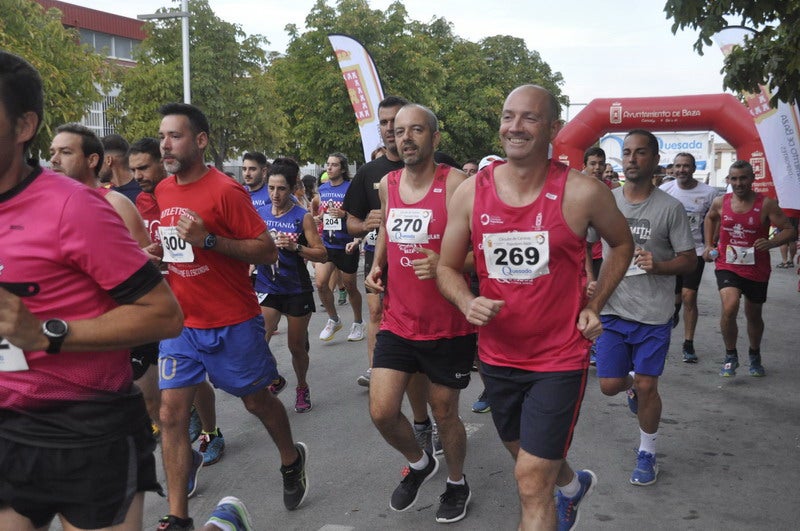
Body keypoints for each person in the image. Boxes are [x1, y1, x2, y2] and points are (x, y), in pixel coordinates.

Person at [0, 51, 183, 531]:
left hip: (85, 425)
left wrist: (46, 334)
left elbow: (163, 316)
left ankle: (221, 524)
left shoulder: (74, 208)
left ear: (23, 127)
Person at [437, 85, 634, 530]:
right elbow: (447, 268)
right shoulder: (471, 192)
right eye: (509, 116)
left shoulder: (583, 192)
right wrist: (467, 301)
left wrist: (595, 302)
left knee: (529, 481)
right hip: (497, 357)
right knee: (524, 453)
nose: (515, 127)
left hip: (558, 356)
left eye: (529, 118)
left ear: (553, 128)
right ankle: (571, 485)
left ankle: (553, 493)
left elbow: (621, 243)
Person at [154, 103, 308, 530]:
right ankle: (178, 516)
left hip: (232, 320)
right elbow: (178, 249)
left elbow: (266, 250)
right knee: (170, 414)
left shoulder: (225, 191)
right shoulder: (164, 191)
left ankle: (290, 458)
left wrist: (209, 239)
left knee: (257, 400)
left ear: (200, 140)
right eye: (163, 136)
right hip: (182, 323)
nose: (166, 144)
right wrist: (160, 254)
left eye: (176, 136)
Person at [365, 103, 475, 524]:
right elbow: (387, 228)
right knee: (381, 411)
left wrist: (446, 264)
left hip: (448, 323)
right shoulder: (388, 184)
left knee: (445, 412)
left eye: (416, 130)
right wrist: (379, 263)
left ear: (434, 138)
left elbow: (480, 249)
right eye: (397, 130)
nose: (404, 137)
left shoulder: (458, 185)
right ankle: (418, 462)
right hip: (399, 319)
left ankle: (457, 481)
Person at [593, 129, 695, 488]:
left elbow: (689, 259)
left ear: (654, 160)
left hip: (653, 313)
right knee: (607, 385)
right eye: (627, 153)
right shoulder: (606, 201)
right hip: (613, 310)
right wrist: (589, 282)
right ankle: (631, 385)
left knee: (650, 386)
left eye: (640, 153)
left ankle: (647, 452)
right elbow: (584, 246)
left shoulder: (670, 208)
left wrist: (661, 266)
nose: (632, 159)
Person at [129, 137, 220, 455]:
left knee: (198, 380)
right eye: (134, 170)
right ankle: (183, 442)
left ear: (162, 163)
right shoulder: (139, 202)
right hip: (152, 300)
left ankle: (211, 431)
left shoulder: (181, 195)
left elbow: (207, 244)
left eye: (143, 168)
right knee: (163, 385)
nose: (138, 176)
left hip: (189, 298)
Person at [702, 160, 797, 377]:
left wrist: (771, 243)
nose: (739, 183)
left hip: (757, 268)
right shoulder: (720, 202)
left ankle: (754, 354)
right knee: (730, 305)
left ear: (752, 179)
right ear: (728, 180)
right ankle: (730, 355)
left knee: (753, 315)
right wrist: (708, 245)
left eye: (743, 178)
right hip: (727, 265)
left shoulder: (767, 204)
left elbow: (789, 230)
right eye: (734, 178)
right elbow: (710, 218)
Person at [253, 158, 327, 413]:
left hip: (296, 289)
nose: (275, 194)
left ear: (292, 187)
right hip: (267, 286)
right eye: (271, 188)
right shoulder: (259, 213)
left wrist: (297, 247)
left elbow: (322, 254)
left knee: (296, 347)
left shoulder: (302, 217)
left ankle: (302, 386)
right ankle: (276, 378)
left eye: (281, 189)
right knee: (257, 341)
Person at [660, 152, 719, 362]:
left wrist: (711, 244)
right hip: (670, 253)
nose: (681, 170)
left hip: (695, 252)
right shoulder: (665, 190)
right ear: (673, 168)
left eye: (686, 166)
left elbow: (715, 219)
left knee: (689, 296)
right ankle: (673, 316)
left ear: (693, 169)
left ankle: (688, 344)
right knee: (673, 298)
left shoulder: (709, 193)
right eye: (678, 166)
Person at [315, 152, 365, 342]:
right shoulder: (323, 188)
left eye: (334, 165)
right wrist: (320, 218)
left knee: (351, 286)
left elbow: (358, 214)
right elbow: (323, 211)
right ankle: (334, 319)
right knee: (320, 284)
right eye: (328, 164)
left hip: (346, 244)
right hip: (327, 243)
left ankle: (358, 322)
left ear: (343, 168)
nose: (329, 168)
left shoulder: (350, 188)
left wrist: (344, 215)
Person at [100, 133, 142, 202]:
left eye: (99, 161)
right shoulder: (105, 195)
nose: (96, 167)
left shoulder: (145, 190)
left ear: (108, 160)